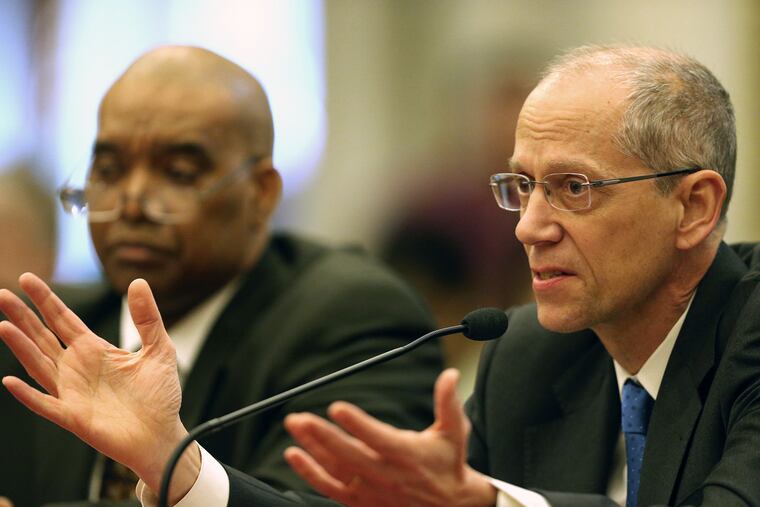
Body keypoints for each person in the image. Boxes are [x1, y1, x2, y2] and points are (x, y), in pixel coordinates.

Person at [281, 45, 760, 506]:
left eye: (573, 187)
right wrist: (206, 483)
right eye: (523, 186)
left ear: (694, 207)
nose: (528, 227)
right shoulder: (529, 358)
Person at [0, 45, 442, 507]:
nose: (131, 203)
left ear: (261, 193)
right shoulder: (39, 336)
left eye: (179, 172)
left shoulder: (355, 320)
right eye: (109, 170)